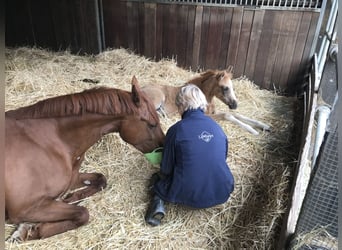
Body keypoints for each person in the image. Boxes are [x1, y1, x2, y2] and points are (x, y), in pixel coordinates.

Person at [145, 84, 234, 226]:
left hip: (187, 195)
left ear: (180, 106)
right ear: (203, 104)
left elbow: (166, 169)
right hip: (223, 191)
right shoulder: (217, 128)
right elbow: (222, 158)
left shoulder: (176, 130)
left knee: (156, 179)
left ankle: (158, 204)